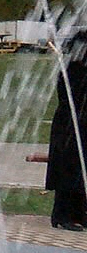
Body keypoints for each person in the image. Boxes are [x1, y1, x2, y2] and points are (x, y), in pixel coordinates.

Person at [46, 31, 87, 231]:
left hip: (78, 124)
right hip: (70, 126)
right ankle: (62, 215)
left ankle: (80, 213)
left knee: (80, 170)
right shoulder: (73, 69)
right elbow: (71, 97)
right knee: (69, 170)